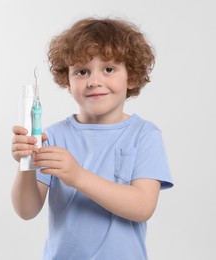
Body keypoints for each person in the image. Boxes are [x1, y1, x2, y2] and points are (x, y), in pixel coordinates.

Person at [11, 17, 174, 259]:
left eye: (109, 69)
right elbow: (26, 210)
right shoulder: (53, 136)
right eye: (82, 71)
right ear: (67, 81)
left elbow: (142, 207)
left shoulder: (144, 134)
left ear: (132, 76)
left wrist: (78, 176)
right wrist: (25, 165)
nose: (94, 81)